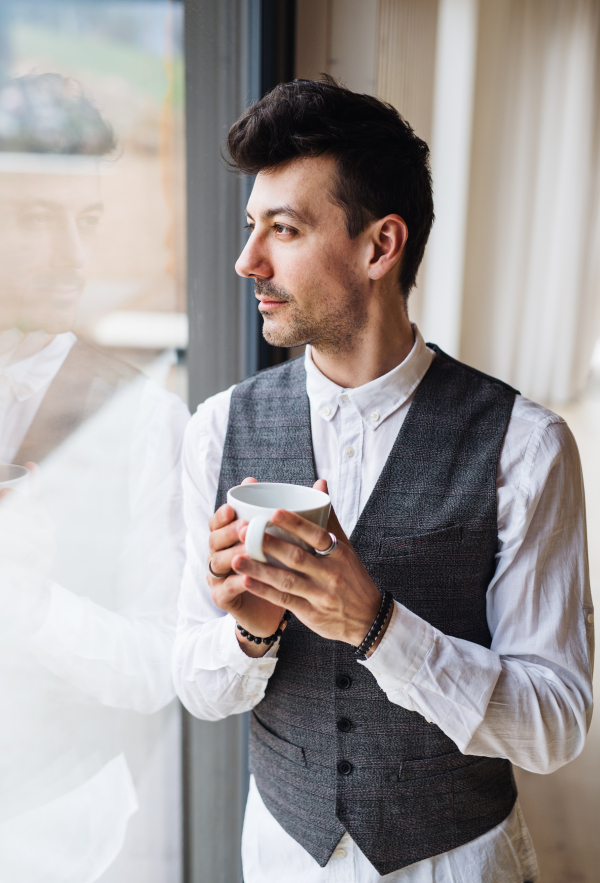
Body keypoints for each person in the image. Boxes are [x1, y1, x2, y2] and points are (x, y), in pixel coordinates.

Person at [173, 77, 593, 883]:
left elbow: (558, 723)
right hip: (279, 854)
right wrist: (249, 632)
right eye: (251, 227)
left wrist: (377, 624)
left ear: (379, 246)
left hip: (458, 863)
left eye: (284, 229)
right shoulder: (217, 430)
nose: (246, 260)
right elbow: (197, 683)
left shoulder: (528, 446)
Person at [0, 74, 188, 882]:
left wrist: (34, 606)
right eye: (37, 220)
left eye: (88, 221)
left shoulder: (145, 419)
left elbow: (161, 663)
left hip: (53, 834)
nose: (73, 258)